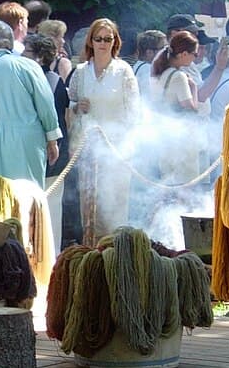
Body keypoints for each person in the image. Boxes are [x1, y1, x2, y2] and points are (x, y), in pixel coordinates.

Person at [67, 18, 140, 243]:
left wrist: (127, 146)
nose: (102, 43)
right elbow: (69, 105)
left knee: (113, 209)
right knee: (89, 209)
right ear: (91, 41)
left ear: (115, 42)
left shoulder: (123, 71)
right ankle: (91, 255)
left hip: (116, 150)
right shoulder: (80, 72)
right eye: (98, 39)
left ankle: (115, 252)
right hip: (88, 148)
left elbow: (134, 112)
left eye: (107, 39)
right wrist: (77, 107)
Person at [0, 20, 61, 187]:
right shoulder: (29, 66)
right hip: (26, 142)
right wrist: (52, 140)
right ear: (11, 41)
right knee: (26, 200)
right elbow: (46, 104)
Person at [23, 33, 70, 178]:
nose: (22, 54)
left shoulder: (49, 81)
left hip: (46, 150)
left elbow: (59, 117)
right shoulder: (54, 79)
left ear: (41, 57)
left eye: (27, 51)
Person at [150, 31, 202, 115]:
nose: (196, 57)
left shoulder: (163, 70)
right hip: (174, 126)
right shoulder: (179, 76)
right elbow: (191, 113)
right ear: (184, 54)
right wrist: (193, 87)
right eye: (195, 54)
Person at [131, 30, 166, 102]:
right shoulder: (147, 71)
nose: (167, 52)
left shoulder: (139, 66)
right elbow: (153, 102)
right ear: (149, 52)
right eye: (163, 48)